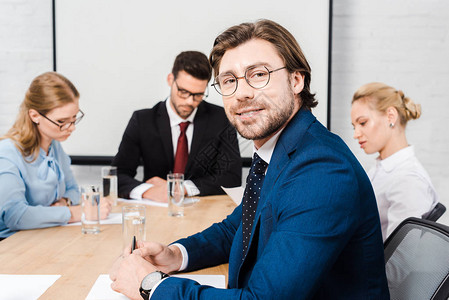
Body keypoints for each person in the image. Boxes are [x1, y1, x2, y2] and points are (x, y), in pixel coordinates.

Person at [110, 20, 389, 299]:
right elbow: (239, 228)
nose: (242, 93)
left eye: (258, 74)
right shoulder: (283, 149)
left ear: (296, 80)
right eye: (230, 80)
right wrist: (175, 255)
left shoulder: (321, 170)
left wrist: (151, 286)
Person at [112, 51, 242, 202]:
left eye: (198, 95)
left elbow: (232, 178)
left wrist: (182, 188)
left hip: (202, 210)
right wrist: (148, 191)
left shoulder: (221, 119)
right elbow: (116, 176)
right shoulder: (142, 121)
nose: (189, 101)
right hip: (157, 210)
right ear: (170, 80)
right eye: (183, 92)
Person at [0, 72, 111, 239]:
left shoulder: (54, 145)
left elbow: (73, 190)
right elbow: (16, 216)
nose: (71, 127)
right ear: (35, 115)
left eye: (74, 118)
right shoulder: (7, 153)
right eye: (62, 121)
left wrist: (63, 203)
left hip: (45, 236)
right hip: (12, 244)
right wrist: (77, 212)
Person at [351, 82, 438, 241]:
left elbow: (398, 259)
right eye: (354, 126)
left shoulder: (408, 180)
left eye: (362, 123)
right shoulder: (380, 169)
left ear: (390, 116)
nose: (356, 134)